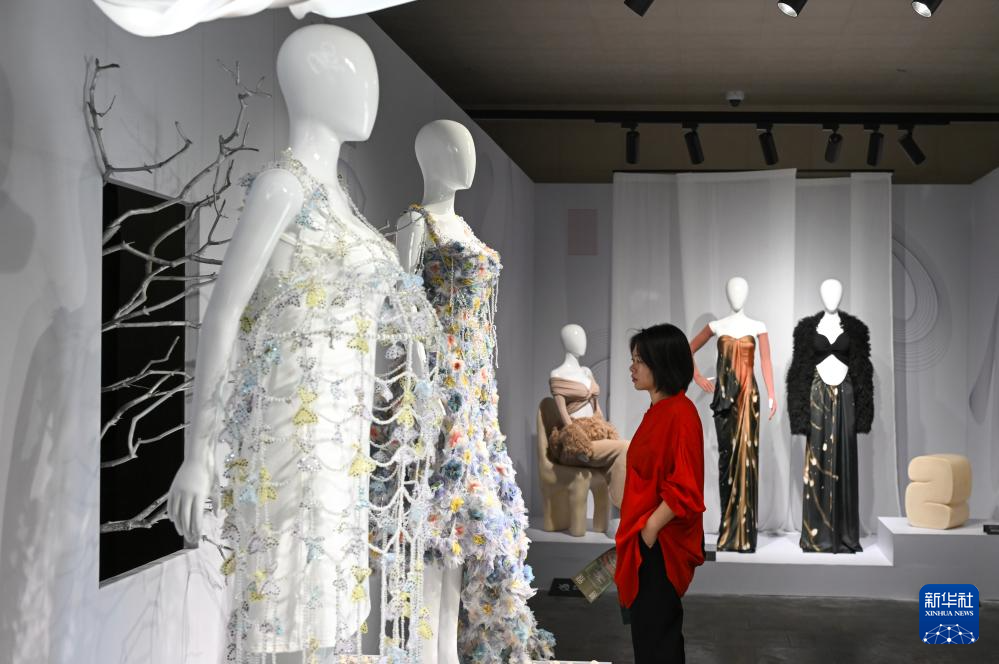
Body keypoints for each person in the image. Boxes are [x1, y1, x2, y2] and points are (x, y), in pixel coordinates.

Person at [615, 323, 706, 664]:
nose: (632, 368)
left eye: (640, 360)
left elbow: (686, 486)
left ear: (663, 363)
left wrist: (650, 530)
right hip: (646, 538)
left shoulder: (681, 414)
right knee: (648, 636)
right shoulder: (659, 411)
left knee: (658, 639)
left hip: (661, 544)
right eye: (633, 359)